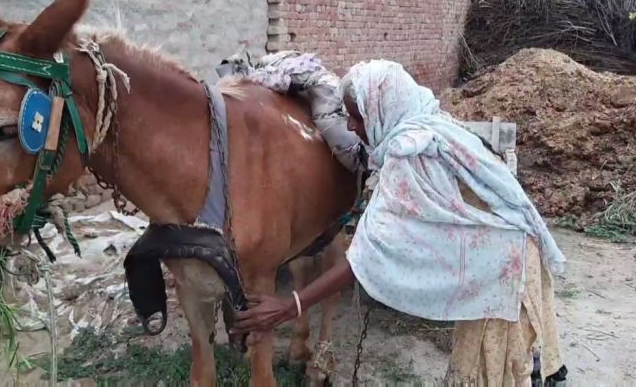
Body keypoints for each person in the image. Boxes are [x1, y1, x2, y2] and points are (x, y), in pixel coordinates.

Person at [232, 60, 568, 386]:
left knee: (491, 370)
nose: (350, 127)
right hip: (515, 255)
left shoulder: (408, 155)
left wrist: (289, 308)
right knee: (513, 364)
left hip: (502, 273)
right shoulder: (432, 124)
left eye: (357, 116)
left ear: (382, 110)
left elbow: (364, 258)